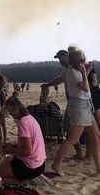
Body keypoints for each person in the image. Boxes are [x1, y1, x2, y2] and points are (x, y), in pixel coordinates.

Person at [51, 47, 100, 176]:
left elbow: (84, 85)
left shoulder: (74, 70)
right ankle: (56, 163)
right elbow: (84, 87)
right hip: (79, 107)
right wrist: (85, 72)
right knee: (73, 138)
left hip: (85, 106)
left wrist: (87, 70)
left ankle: (99, 168)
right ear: (78, 62)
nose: (84, 61)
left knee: (96, 136)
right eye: (82, 60)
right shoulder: (73, 72)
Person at [42, 49, 83, 160]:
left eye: (61, 58)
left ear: (67, 56)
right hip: (72, 103)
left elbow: (82, 84)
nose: (60, 60)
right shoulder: (66, 69)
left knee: (70, 128)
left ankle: (80, 154)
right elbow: (60, 79)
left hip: (78, 103)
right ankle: (81, 153)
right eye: (59, 59)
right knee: (76, 129)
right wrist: (48, 84)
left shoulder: (74, 68)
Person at [0, 97, 46, 183]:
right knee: (7, 163)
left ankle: (18, 179)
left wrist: (10, 149)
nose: (12, 115)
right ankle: (20, 178)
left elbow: (26, 152)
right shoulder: (30, 118)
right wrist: (13, 147)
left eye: (11, 113)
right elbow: (29, 144)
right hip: (41, 164)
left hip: (31, 166)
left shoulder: (23, 123)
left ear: (17, 108)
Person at [88, 62, 100, 131]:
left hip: (95, 95)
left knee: (97, 117)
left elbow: (95, 83)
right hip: (87, 97)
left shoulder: (91, 69)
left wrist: (85, 87)